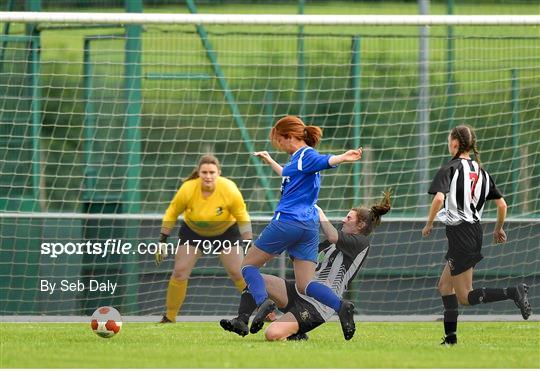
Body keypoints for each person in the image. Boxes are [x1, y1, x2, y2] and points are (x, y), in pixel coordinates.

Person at [240, 115, 363, 340]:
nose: (277, 145)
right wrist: (270, 161)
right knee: (305, 284)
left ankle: (262, 304)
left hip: (287, 222)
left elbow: (323, 160)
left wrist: (343, 157)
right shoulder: (296, 160)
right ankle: (341, 306)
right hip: (308, 227)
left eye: (278, 140)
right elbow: (289, 175)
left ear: (289, 137)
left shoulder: (305, 155)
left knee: (248, 265)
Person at [221, 191, 391, 341]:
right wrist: (270, 253)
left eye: (348, 218)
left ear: (360, 225)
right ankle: (242, 320)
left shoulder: (362, 243)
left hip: (318, 305)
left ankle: (298, 330)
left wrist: (319, 211)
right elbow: (301, 257)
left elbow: (332, 235)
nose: (343, 220)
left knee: (271, 334)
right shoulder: (328, 244)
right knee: (255, 279)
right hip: (298, 292)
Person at [422, 124, 531, 345]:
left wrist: (429, 223)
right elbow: (502, 205)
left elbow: (438, 199)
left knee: (465, 296)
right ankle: (451, 339)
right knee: (444, 286)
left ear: (454, 143)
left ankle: (513, 292)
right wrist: (498, 228)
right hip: (473, 231)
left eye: (448, 140)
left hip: (461, 234)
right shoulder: (482, 172)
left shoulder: (450, 168)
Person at [156, 154, 253, 323]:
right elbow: (172, 212)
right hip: (193, 232)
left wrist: (249, 243)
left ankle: (265, 312)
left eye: (212, 172)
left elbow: (242, 216)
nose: (208, 176)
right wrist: (162, 240)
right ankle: (169, 317)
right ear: (198, 173)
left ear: (219, 173)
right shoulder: (187, 188)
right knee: (179, 272)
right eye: (204, 172)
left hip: (225, 232)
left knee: (239, 273)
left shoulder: (229, 189)